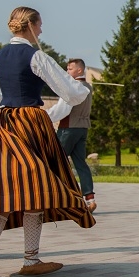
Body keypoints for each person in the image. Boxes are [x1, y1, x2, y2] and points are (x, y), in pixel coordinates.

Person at [0, 6, 96, 277]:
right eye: (39, 25)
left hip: (3, 123)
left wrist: (1, 99)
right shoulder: (36, 56)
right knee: (34, 190)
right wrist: (80, 87)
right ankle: (30, 259)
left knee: (2, 192)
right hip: (30, 124)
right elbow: (73, 94)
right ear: (31, 26)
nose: (41, 30)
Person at [46, 58, 96, 212]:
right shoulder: (88, 87)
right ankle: (90, 199)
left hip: (68, 129)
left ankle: (60, 200)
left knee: (55, 162)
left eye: (70, 69)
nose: (67, 72)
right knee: (80, 164)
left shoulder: (73, 87)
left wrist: (43, 117)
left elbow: (62, 109)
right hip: (82, 129)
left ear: (79, 70)